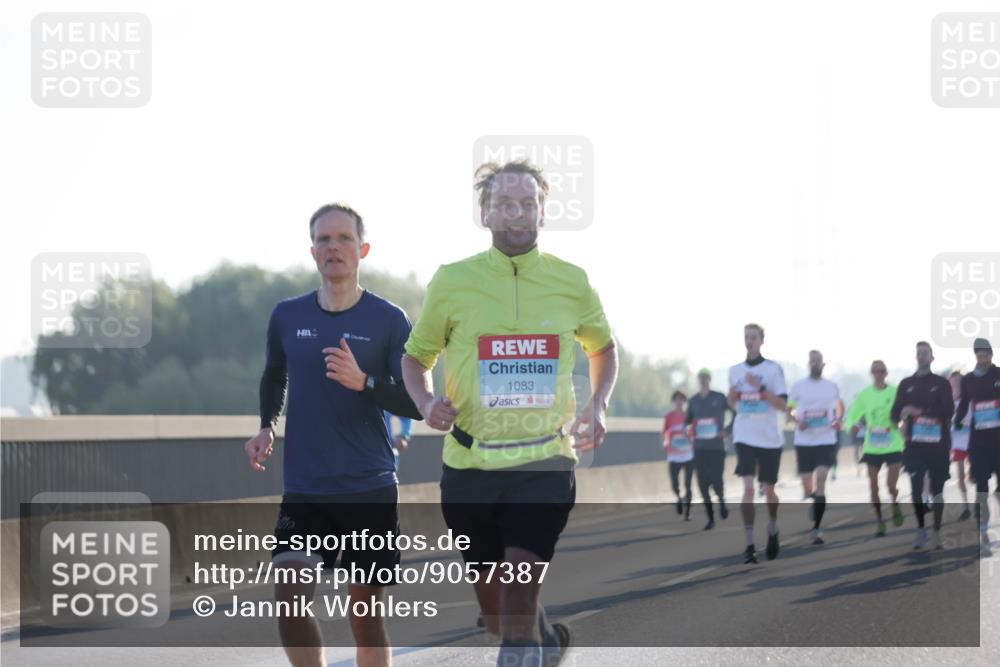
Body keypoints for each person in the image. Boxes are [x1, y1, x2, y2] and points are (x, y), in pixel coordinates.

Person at [401, 160, 619, 667]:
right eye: (504, 203)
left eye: (527, 203)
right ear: (485, 212)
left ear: (543, 210)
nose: (516, 214)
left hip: (545, 461)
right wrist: (426, 402)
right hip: (469, 465)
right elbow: (416, 357)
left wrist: (598, 403)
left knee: (520, 591)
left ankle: (529, 642)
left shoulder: (571, 281)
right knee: (499, 615)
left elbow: (604, 349)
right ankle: (544, 641)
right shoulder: (453, 281)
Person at [244, 203, 423, 667]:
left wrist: (363, 381)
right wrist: (266, 425)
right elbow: (274, 374)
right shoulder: (287, 315)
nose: (334, 247)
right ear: (312, 251)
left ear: (362, 250)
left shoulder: (388, 320)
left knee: (364, 614)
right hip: (306, 487)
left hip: (369, 486)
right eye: (324, 239)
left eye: (344, 238)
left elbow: (415, 402)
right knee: (289, 596)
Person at [728, 323, 788, 563]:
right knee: (749, 489)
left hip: (769, 438)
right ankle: (750, 544)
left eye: (753, 337)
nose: (749, 341)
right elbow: (734, 404)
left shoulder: (774, 370)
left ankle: (772, 527)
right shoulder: (734, 371)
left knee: (769, 490)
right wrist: (732, 399)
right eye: (746, 337)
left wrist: (760, 388)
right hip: (744, 435)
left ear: (762, 341)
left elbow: (783, 405)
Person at [891, 341, 954, 550]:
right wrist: (900, 423)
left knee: (937, 491)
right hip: (914, 447)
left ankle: (936, 530)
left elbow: (947, 411)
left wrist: (918, 412)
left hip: (938, 446)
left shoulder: (941, 384)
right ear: (915, 356)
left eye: (925, 353)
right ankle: (920, 529)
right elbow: (894, 414)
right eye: (918, 353)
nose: (921, 356)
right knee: (916, 488)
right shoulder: (906, 384)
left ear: (932, 357)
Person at [788, 350, 842, 545]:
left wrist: (837, 420)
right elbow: (790, 407)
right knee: (806, 484)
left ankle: (816, 529)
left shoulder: (831, 386)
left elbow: (839, 406)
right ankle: (812, 497)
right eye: (812, 361)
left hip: (825, 439)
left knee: (821, 479)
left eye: (818, 361)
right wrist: (796, 419)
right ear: (808, 364)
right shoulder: (798, 386)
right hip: (803, 441)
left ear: (823, 364)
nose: (815, 364)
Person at [845, 360, 905, 536]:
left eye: (881, 371)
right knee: (873, 487)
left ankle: (895, 504)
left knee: (891, 485)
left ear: (886, 373)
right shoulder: (864, 395)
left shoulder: (895, 392)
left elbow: (904, 413)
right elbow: (852, 415)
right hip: (872, 447)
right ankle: (880, 521)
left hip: (893, 444)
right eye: (875, 371)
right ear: (871, 373)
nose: (878, 374)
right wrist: (852, 426)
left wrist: (902, 421)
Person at [954, 338, 1000, 556]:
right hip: (979, 442)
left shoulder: (998, 374)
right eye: (979, 356)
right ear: (975, 356)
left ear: (991, 354)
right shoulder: (969, 380)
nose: (983, 359)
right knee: (981, 489)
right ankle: (983, 532)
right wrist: (959, 417)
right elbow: (964, 403)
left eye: (986, 355)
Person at [687, 368, 732, 530]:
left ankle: (721, 500)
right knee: (702, 483)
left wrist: (727, 430)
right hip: (699, 448)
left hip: (717, 447)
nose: (703, 380)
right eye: (701, 378)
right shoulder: (693, 401)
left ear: (709, 379)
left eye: (706, 378)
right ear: (698, 380)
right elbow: (687, 422)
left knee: (716, 480)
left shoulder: (719, 397)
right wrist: (689, 432)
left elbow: (735, 413)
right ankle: (711, 518)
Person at [663, 390, 695, 520]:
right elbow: (665, 433)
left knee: (688, 484)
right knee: (674, 484)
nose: (679, 401)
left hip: (688, 454)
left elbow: (694, 432)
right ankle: (679, 498)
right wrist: (666, 445)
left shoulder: (690, 416)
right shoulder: (669, 417)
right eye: (677, 399)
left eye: (681, 399)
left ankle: (687, 512)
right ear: (674, 401)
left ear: (684, 401)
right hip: (674, 455)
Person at [949, 371, 972, 521]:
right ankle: (966, 507)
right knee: (960, 476)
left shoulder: (970, 399)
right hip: (957, 443)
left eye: (958, 380)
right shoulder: (947, 401)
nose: (956, 383)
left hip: (973, 441)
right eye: (953, 381)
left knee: (976, 476)